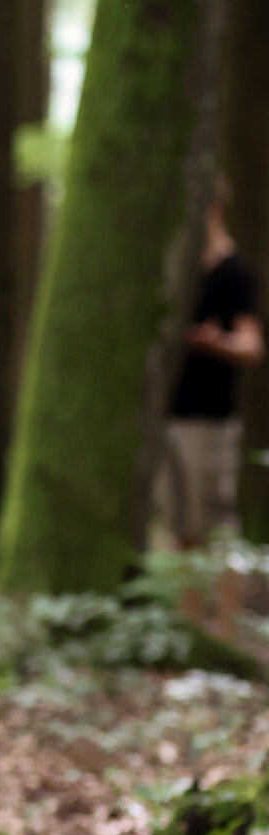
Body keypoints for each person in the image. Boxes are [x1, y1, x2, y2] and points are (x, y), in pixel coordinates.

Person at [158, 177, 261, 642]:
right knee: (182, 530)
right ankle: (190, 634)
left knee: (217, 529)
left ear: (214, 208)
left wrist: (216, 342)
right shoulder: (181, 272)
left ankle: (223, 636)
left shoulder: (234, 272)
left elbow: (251, 344)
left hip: (212, 420)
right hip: (171, 417)